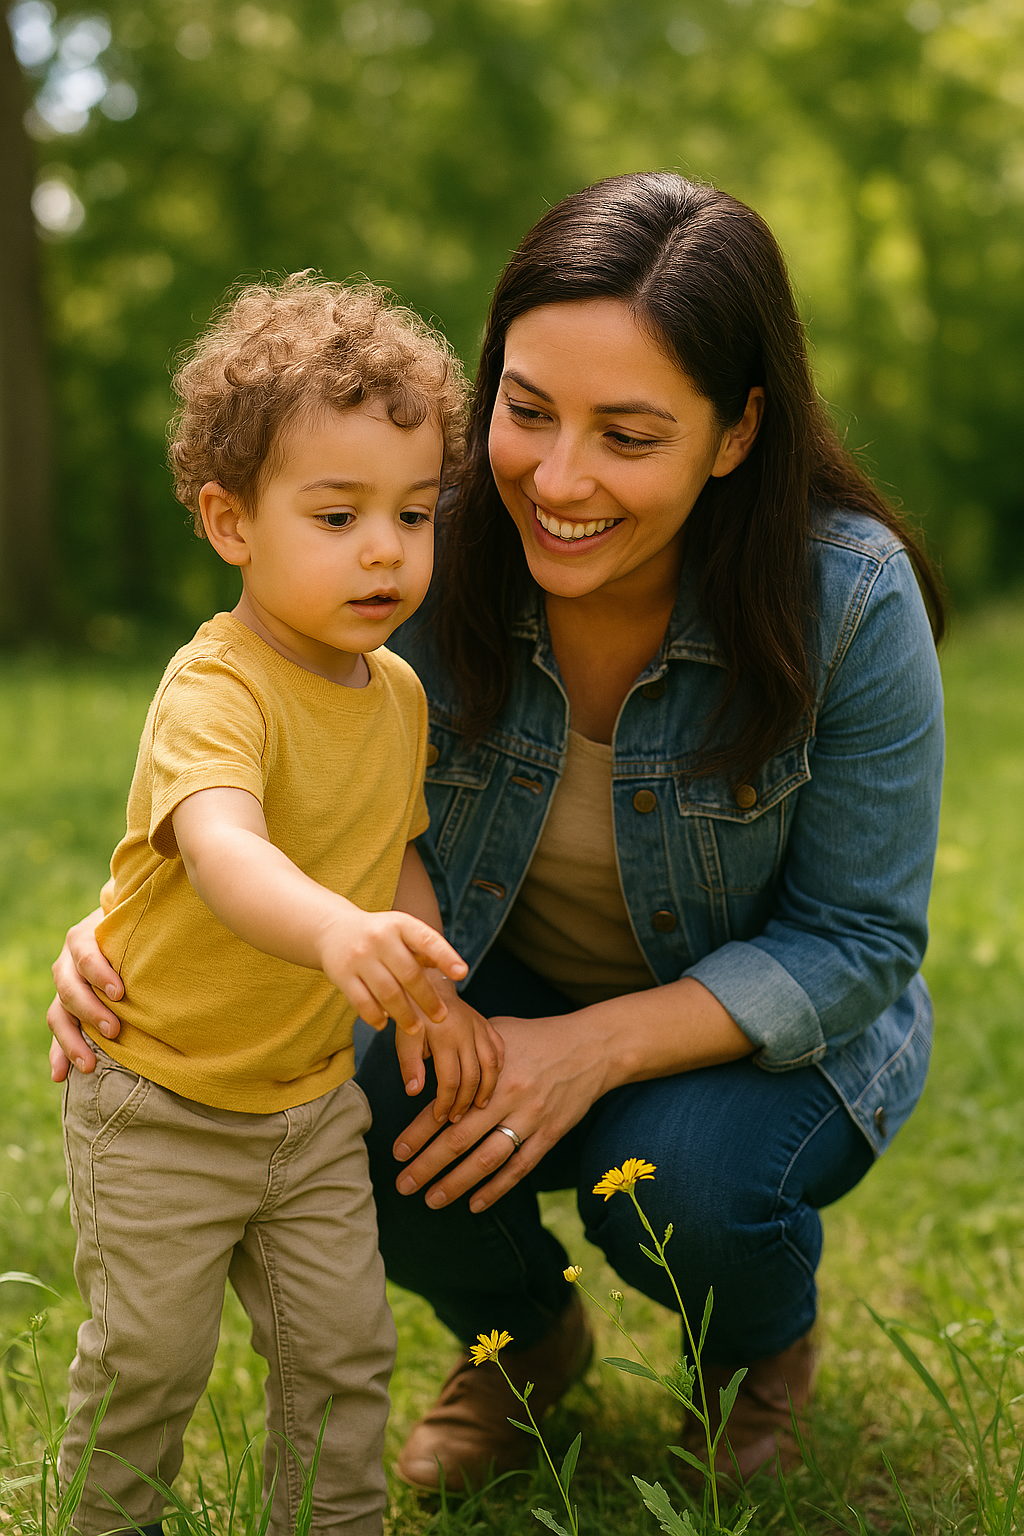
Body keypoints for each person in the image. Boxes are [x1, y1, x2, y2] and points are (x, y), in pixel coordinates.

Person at [49, 174, 945, 1492]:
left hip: (751, 1032)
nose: (558, 480)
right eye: (526, 413)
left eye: (629, 436)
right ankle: (519, 1338)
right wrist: (135, 926)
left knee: (679, 1190)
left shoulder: (846, 597)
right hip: (492, 980)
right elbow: (246, 756)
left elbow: (858, 940)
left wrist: (586, 1053)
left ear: (737, 431)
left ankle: (762, 1350)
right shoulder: (411, 543)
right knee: (344, 1099)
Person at [50, 274, 504, 1536]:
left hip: (307, 1107)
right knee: (150, 1361)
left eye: (414, 514)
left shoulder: (397, 696)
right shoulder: (218, 689)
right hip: (160, 1099)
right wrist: (335, 933)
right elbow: (225, 848)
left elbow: (393, 851)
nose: (385, 548)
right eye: (339, 513)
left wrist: (419, 983)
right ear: (230, 520)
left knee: (346, 1354)